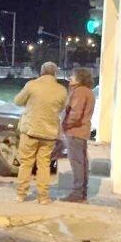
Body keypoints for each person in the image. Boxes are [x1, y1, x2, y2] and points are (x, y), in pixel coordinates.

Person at [13, 62, 68, 204]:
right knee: (44, 165)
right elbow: (62, 108)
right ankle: (43, 197)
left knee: (26, 163)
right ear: (55, 73)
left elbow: (18, 101)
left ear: (41, 72)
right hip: (49, 133)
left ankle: (21, 195)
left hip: (30, 130)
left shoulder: (31, 85)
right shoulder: (62, 90)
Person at [60, 68, 96, 202]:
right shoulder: (88, 92)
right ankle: (82, 192)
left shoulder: (80, 91)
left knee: (77, 163)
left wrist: (65, 125)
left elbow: (75, 114)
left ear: (80, 78)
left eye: (73, 76)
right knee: (82, 163)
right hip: (82, 131)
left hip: (75, 131)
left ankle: (77, 193)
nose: (70, 78)